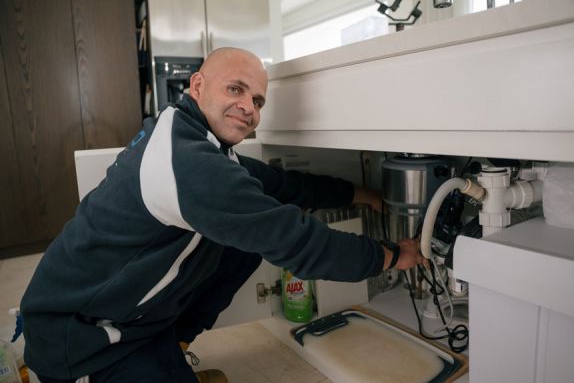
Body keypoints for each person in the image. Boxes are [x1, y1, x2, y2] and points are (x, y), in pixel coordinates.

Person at [20, 48, 424, 383]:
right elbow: (301, 243)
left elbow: (285, 185)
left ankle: (172, 345)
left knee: (242, 245)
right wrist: (392, 255)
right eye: (235, 89)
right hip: (81, 339)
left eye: (258, 101)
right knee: (261, 233)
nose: (248, 107)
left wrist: (362, 195)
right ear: (197, 85)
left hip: (132, 315)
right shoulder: (189, 163)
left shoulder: (192, 136)